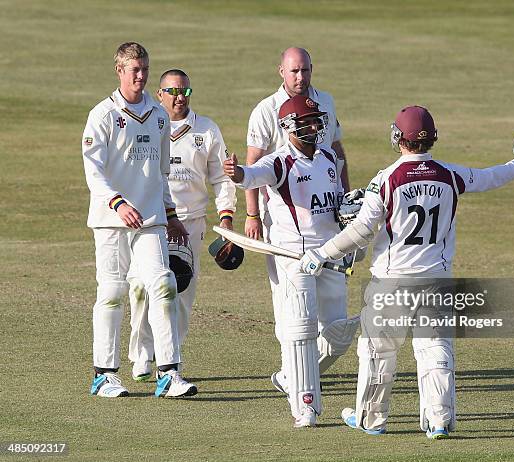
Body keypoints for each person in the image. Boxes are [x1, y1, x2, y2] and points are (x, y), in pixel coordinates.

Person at [300, 105, 514, 438]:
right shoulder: (450, 175)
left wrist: (321, 253)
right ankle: (439, 420)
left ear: (397, 137)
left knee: (377, 351)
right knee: (435, 348)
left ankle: (372, 420)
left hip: (392, 281)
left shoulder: (385, 179)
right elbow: (491, 176)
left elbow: (361, 231)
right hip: (436, 280)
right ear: (432, 139)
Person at [224, 94, 358, 428]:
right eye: (306, 123)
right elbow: (252, 175)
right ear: (288, 127)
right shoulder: (279, 162)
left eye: (316, 121)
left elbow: (335, 203)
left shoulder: (329, 158)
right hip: (293, 256)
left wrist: (350, 214)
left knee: (338, 334)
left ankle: (290, 375)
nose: (314, 127)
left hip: (331, 254)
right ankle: (306, 408)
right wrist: (236, 172)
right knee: (300, 330)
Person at [82, 42, 197, 398]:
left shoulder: (159, 115)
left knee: (164, 285)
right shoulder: (103, 114)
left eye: (145, 69)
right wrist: (117, 203)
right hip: (111, 218)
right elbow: (93, 169)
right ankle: (104, 374)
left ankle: (169, 373)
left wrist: (171, 214)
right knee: (114, 291)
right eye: (134, 70)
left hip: (149, 219)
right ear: (119, 71)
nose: (141, 76)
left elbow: (160, 173)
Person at [245, 47, 354, 391]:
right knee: (290, 302)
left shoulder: (326, 102)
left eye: (305, 70)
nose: (300, 77)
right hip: (281, 216)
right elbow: (252, 165)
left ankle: (298, 373)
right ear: (281, 71)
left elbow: (336, 152)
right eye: (294, 71)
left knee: (329, 308)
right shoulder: (266, 109)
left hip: (325, 212)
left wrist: (346, 200)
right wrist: (251, 214)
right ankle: (293, 370)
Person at [127, 69, 237, 381]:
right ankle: (141, 354)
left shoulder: (207, 130)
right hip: (150, 221)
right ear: (159, 94)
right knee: (141, 289)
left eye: (185, 92)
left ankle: (169, 359)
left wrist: (226, 219)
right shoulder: (147, 125)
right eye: (172, 91)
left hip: (191, 225)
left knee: (181, 292)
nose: (179, 98)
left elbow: (221, 178)